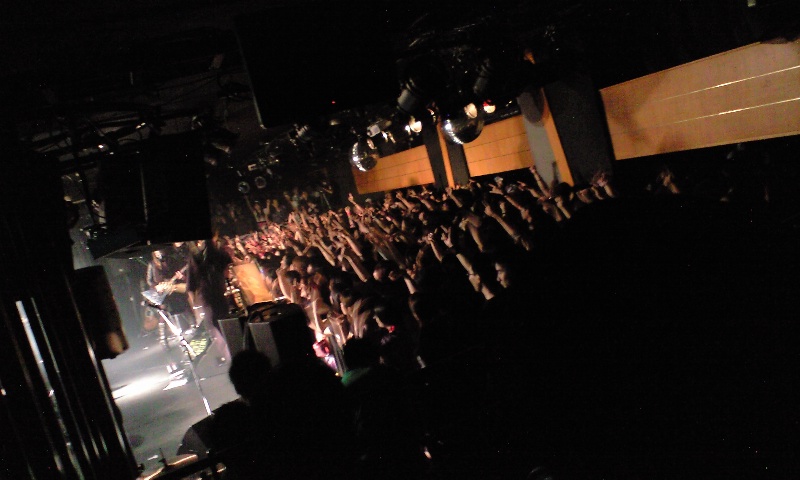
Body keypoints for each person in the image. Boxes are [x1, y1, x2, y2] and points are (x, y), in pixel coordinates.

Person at [186, 236, 233, 364]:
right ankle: (231, 356)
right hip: (214, 297)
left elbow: (190, 286)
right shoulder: (207, 256)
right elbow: (191, 286)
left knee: (218, 330)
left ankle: (230, 357)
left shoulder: (205, 256)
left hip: (212, 298)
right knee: (221, 328)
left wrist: (196, 308)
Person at [145, 245, 192, 344]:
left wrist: (180, 277)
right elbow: (149, 280)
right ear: (154, 253)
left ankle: (192, 325)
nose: (159, 253)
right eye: (156, 251)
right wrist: (157, 286)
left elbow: (175, 273)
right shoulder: (152, 264)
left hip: (170, 288)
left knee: (181, 304)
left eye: (160, 250)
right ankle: (163, 338)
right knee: (164, 311)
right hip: (160, 291)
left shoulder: (170, 260)